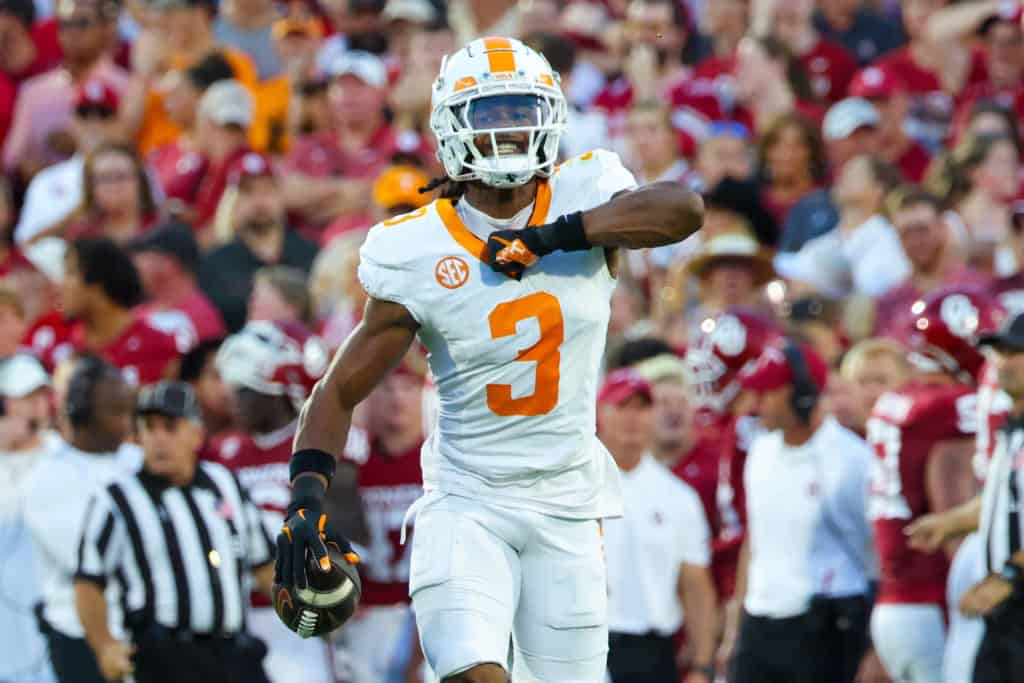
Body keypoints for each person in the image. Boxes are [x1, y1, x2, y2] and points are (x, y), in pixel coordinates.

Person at [275, 36, 703, 683]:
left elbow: (683, 209)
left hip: (566, 504)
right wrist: (305, 500)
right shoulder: (417, 247)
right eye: (489, 113)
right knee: (474, 671)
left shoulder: (587, 192)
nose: (508, 129)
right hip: (466, 501)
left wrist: (550, 237)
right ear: (451, 126)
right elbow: (339, 389)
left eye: (519, 111)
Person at [73, 381, 275, 683]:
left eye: (170, 427)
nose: (158, 439)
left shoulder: (225, 484)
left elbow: (264, 565)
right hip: (164, 658)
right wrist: (104, 646)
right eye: (149, 428)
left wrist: (306, 606)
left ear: (197, 433)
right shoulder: (117, 500)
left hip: (234, 653)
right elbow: (88, 582)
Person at [866, 287, 1003, 683]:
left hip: (896, 598)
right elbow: (949, 497)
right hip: (933, 595)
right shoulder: (950, 405)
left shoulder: (897, 399)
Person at [721, 341, 876, 683]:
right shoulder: (760, 452)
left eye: (768, 393)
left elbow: (878, 552)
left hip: (827, 625)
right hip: (760, 623)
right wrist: (736, 625)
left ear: (802, 394)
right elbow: (755, 539)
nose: (756, 404)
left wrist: (873, 646)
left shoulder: (852, 460)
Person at [206, 320, 331, 683]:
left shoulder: (318, 442)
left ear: (280, 390)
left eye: (245, 390)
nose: (235, 400)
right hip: (242, 612)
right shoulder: (223, 452)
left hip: (304, 610)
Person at [21, 356, 141, 683]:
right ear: (81, 415)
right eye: (115, 413)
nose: (127, 424)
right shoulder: (46, 479)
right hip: (80, 638)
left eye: (128, 411)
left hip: (143, 631)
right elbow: (92, 560)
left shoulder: (137, 460)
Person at [598, 368, 717, 683]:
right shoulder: (574, 487)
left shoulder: (678, 497)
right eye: (622, 406)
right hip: (585, 643)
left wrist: (703, 665)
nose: (633, 418)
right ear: (599, 412)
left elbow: (695, 584)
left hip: (652, 650)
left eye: (642, 407)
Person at [333, 358, 427, 683]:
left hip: (424, 609)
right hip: (369, 613)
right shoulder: (353, 466)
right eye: (386, 388)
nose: (397, 398)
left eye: (408, 387)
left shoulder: (440, 461)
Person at [29, 238, 184, 382]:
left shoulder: (160, 350)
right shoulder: (50, 339)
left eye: (70, 273)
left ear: (98, 288)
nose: (60, 285)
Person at [199, 151, 318, 332]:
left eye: (267, 190)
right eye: (248, 192)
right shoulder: (215, 264)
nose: (259, 201)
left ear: (281, 196)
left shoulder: (310, 253)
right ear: (234, 202)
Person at [0, 354, 58, 683]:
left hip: (49, 610)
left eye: (41, 396)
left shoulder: (62, 455)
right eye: (26, 398)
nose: (37, 406)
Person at [13, 79, 124, 245]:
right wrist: (78, 214)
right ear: (72, 122)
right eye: (84, 114)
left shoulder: (139, 172)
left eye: (104, 114)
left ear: (117, 123)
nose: (94, 124)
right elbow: (24, 247)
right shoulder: (46, 181)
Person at [874, 186, 987, 337]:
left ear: (942, 228)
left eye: (922, 229)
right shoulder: (890, 302)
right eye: (906, 233)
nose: (915, 240)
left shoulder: (976, 287)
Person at [131, 220, 227, 346]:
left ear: (169, 262)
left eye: (143, 254)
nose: (134, 264)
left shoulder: (199, 317)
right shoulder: (137, 314)